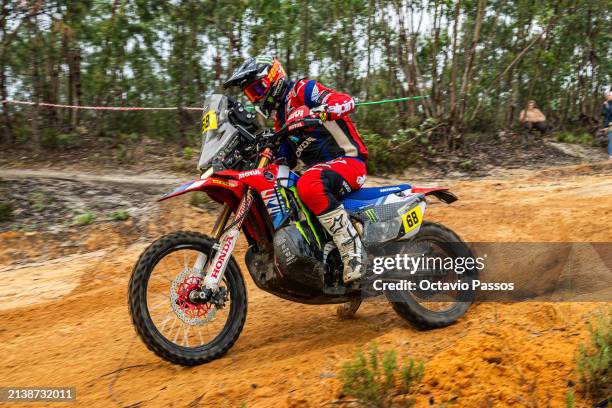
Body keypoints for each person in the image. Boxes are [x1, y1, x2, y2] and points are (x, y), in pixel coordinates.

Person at [223, 56, 368, 283]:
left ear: (274, 78)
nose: (258, 97)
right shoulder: (281, 121)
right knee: (284, 188)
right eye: (252, 94)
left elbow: (346, 102)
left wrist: (318, 112)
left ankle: (353, 251)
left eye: (259, 88)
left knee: (308, 183)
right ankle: (326, 259)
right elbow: (285, 159)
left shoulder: (302, 90)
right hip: (323, 172)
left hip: (349, 161)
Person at [602, 91, 612, 160]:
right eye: (607, 96)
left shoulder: (607, 104)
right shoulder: (605, 104)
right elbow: (606, 115)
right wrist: (605, 126)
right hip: (610, 124)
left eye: (609, 95)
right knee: (611, 139)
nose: (607, 97)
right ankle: (611, 155)